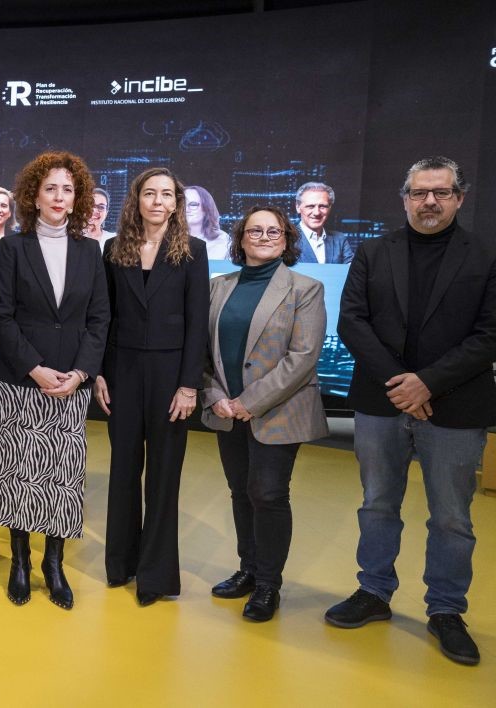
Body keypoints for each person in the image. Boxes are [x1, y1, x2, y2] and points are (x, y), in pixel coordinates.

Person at [327, 156, 494, 666]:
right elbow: (352, 321)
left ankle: (446, 610)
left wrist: (427, 383)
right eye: (421, 193)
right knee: (377, 504)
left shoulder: (485, 255)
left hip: (456, 405)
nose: (430, 201)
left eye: (441, 193)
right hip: (382, 402)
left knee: (451, 518)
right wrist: (401, 385)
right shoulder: (374, 252)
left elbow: (489, 335)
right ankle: (374, 593)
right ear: (405, 199)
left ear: (459, 199)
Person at [0, 152, 110, 608]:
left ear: (76, 198)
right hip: (23, 379)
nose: (59, 197)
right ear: (33, 196)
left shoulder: (88, 250)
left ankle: (52, 564)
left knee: (62, 474)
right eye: (50, 189)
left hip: (71, 383)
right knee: (21, 473)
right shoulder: (13, 248)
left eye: (68, 189)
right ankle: (19, 561)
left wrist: (80, 373)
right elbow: (2, 317)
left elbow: (100, 319)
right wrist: (34, 368)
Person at [201, 206, 327, 622]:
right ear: (240, 238)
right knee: (241, 493)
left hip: (277, 410)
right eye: (255, 230)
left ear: (287, 238)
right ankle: (249, 571)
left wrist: (247, 402)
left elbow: (303, 357)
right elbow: (201, 351)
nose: (264, 236)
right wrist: (216, 394)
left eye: (274, 230)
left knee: (268, 495)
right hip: (225, 408)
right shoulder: (218, 287)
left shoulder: (304, 288)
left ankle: (269, 585)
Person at [96, 167, 209, 606]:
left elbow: (197, 324)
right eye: (150, 193)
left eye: (167, 194)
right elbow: (105, 318)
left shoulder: (193, 252)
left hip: (170, 378)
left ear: (176, 203)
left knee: (164, 477)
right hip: (121, 372)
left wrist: (188, 386)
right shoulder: (113, 249)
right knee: (124, 471)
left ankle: (156, 576)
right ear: (136, 200)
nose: (158, 201)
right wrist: (101, 371)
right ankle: (120, 565)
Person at [294, 181, 354, 264]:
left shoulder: (339, 239)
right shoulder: (286, 239)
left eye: (322, 206)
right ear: (298, 207)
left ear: (330, 208)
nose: (316, 213)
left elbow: (353, 272)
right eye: (310, 206)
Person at [184, 185, 230, 260]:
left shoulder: (223, 239)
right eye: (182, 204)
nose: (186, 209)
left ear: (206, 209)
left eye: (193, 204)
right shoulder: (167, 238)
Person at [84, 187, 116, 252]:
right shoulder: (72, 238)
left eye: (101, 207)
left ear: (106, 212)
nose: (94, 211)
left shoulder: (114, 239)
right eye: (90, 205)